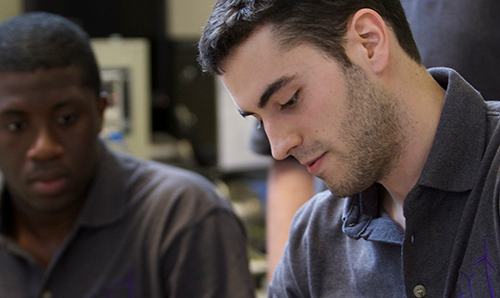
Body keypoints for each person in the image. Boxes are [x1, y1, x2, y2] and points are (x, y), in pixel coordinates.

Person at [198, 0, 500, 296]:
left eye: (289, 100)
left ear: (369, 43)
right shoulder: (314, 237)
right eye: (260, 120)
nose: (279, 147)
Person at [0, 12, 254, 298]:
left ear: (100, 112)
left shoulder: (181, 216)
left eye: (67, 119)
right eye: (16, 126)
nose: (44, 148)